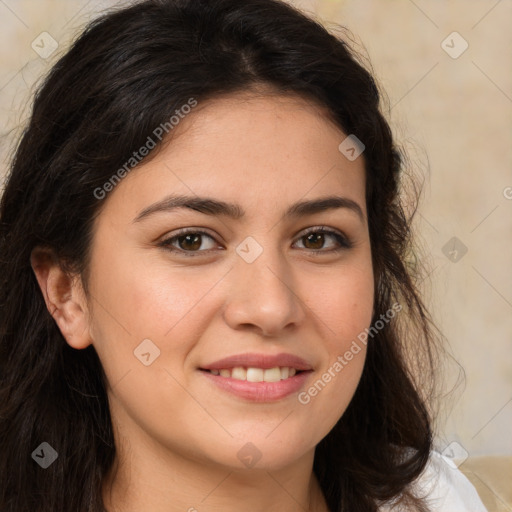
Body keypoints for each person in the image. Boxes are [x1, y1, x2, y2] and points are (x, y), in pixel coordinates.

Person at [0, 0, 488, 511]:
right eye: (191, 240)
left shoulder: (435, 499)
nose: (270, 308)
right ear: (66, 292)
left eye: (318, 238)